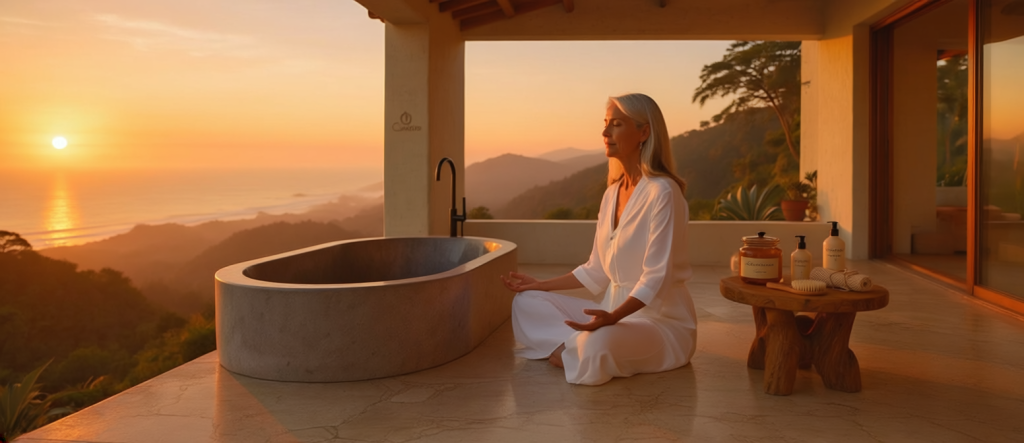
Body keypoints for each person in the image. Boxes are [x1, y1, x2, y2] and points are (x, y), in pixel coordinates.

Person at [501, 93, 697, 386]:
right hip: (609, 314)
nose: (605, 133)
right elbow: (597, 269)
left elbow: (655, 277)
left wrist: (614, 317)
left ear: (644, 132)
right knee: (526, 301)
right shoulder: (612, 193)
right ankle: (570, 348)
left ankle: (573, 348)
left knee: (597, 345)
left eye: (616, 124)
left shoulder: (663, 193)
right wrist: (540, 285)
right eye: (605, 124)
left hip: (658, 323)